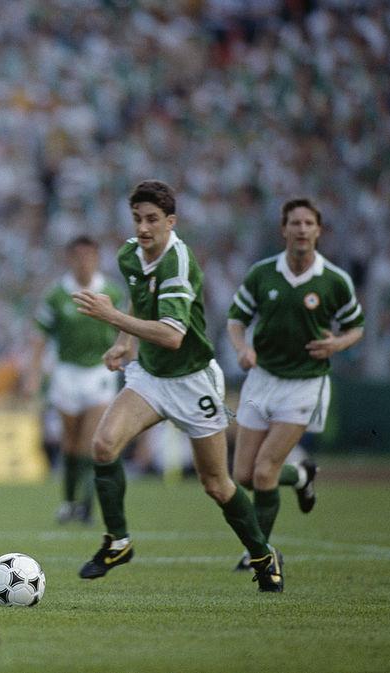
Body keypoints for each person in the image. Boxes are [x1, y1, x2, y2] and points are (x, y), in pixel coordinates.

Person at [71, 180, 283, 592]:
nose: (143, 228)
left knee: (216, 485)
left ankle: (262, 555)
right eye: (137, 219)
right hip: (150, 376)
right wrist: (124, 342)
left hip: (192, 382)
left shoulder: (179, 263)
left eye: (152, 219)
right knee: (104, 445)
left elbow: (172, 335)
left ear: (171, 222)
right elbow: (139, 298)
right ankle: (118, 541)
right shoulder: (131, 253)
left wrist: (112, 319)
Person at [227, 197, 364, 569]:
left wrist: (337, 343)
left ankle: (259, 551)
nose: (302, 229)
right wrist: (242, 349)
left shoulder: (334, 280)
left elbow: (356, 327)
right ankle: (302, 474)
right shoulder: (262, 274)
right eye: (295, 223)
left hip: (304, 383)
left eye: (308, 223)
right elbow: (236, 318)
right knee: (242, 475)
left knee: (265, 470)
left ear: (318, 230)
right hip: (262, 378)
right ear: (283, 229)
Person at [28, 235, 124, 524]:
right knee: (69, 444)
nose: (84, 262)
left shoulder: (111, 292)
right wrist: (33, 374)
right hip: (66, 373)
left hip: (98, 372)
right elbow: (40, 336)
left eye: (89, 256)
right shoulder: (58, 294)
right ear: (70, 259)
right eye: (78, 256)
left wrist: (122, 351)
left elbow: (125, 326)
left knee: (89, 442)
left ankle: (86, 505)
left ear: (97, 258)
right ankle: (69, 502)